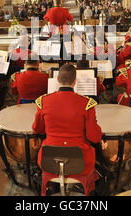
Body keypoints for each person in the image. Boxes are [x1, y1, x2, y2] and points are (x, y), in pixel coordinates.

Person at [32, 64, 102, 196]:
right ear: (75, 81)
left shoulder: (44, 101)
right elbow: (94, 137)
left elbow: (37, 129)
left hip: (49, 159)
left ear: (57, 79)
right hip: (80, 161)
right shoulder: (86, 104)